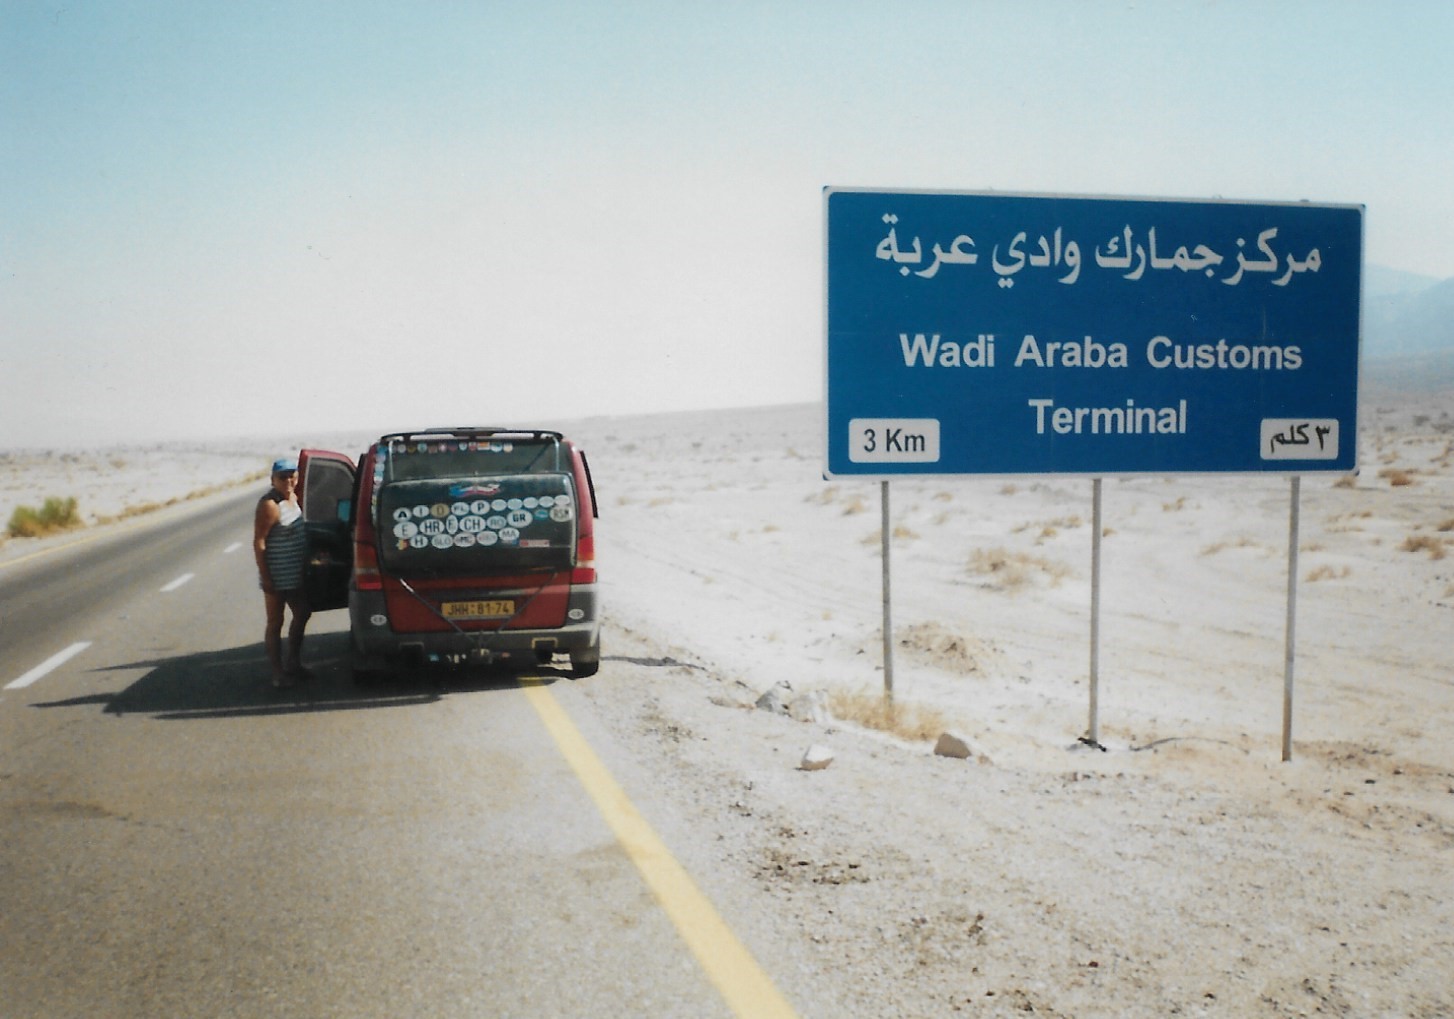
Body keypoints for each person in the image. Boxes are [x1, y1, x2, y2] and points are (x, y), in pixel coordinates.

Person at [255, 457, 312, 687]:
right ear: (273, 480)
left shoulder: (294, 499)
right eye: (282, 477)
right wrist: (266, 577)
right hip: (276, 575)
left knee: (302, 613)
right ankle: (278, 674)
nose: (288, 481)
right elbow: (259, 541)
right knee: (275, 622)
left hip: (295, 573)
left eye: (292, 476)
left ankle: (293, 663)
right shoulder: (270, 505)